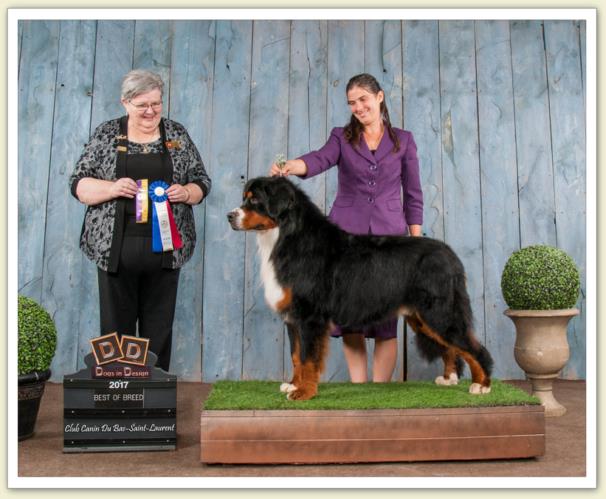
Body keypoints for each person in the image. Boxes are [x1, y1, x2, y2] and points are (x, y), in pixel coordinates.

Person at [270, 73, 423, 383]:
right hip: (344, 239)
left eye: (363, 99)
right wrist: (290, 165)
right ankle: (359, 387)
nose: (358, 107)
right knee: (348, 316)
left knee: (385, 322)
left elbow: (414, 193)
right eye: (352, 103)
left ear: (379, 97)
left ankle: (379, 392)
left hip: (388, 240)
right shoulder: (341, 137)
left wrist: (415, 243)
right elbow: (317, 160)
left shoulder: (404, 140)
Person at [69, 69, 211, 372]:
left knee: (158, 328)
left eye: (156, 104)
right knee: (115, 328)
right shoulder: (107, 134)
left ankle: (152, 398)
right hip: (113, 249)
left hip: (167, 249)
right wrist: (112, 188)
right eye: (142, 105)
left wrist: (186, 192)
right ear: (125, 103)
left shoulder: (176, 134)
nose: (150, 111)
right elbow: (78, 184)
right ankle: (117, 393)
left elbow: (202, 183)